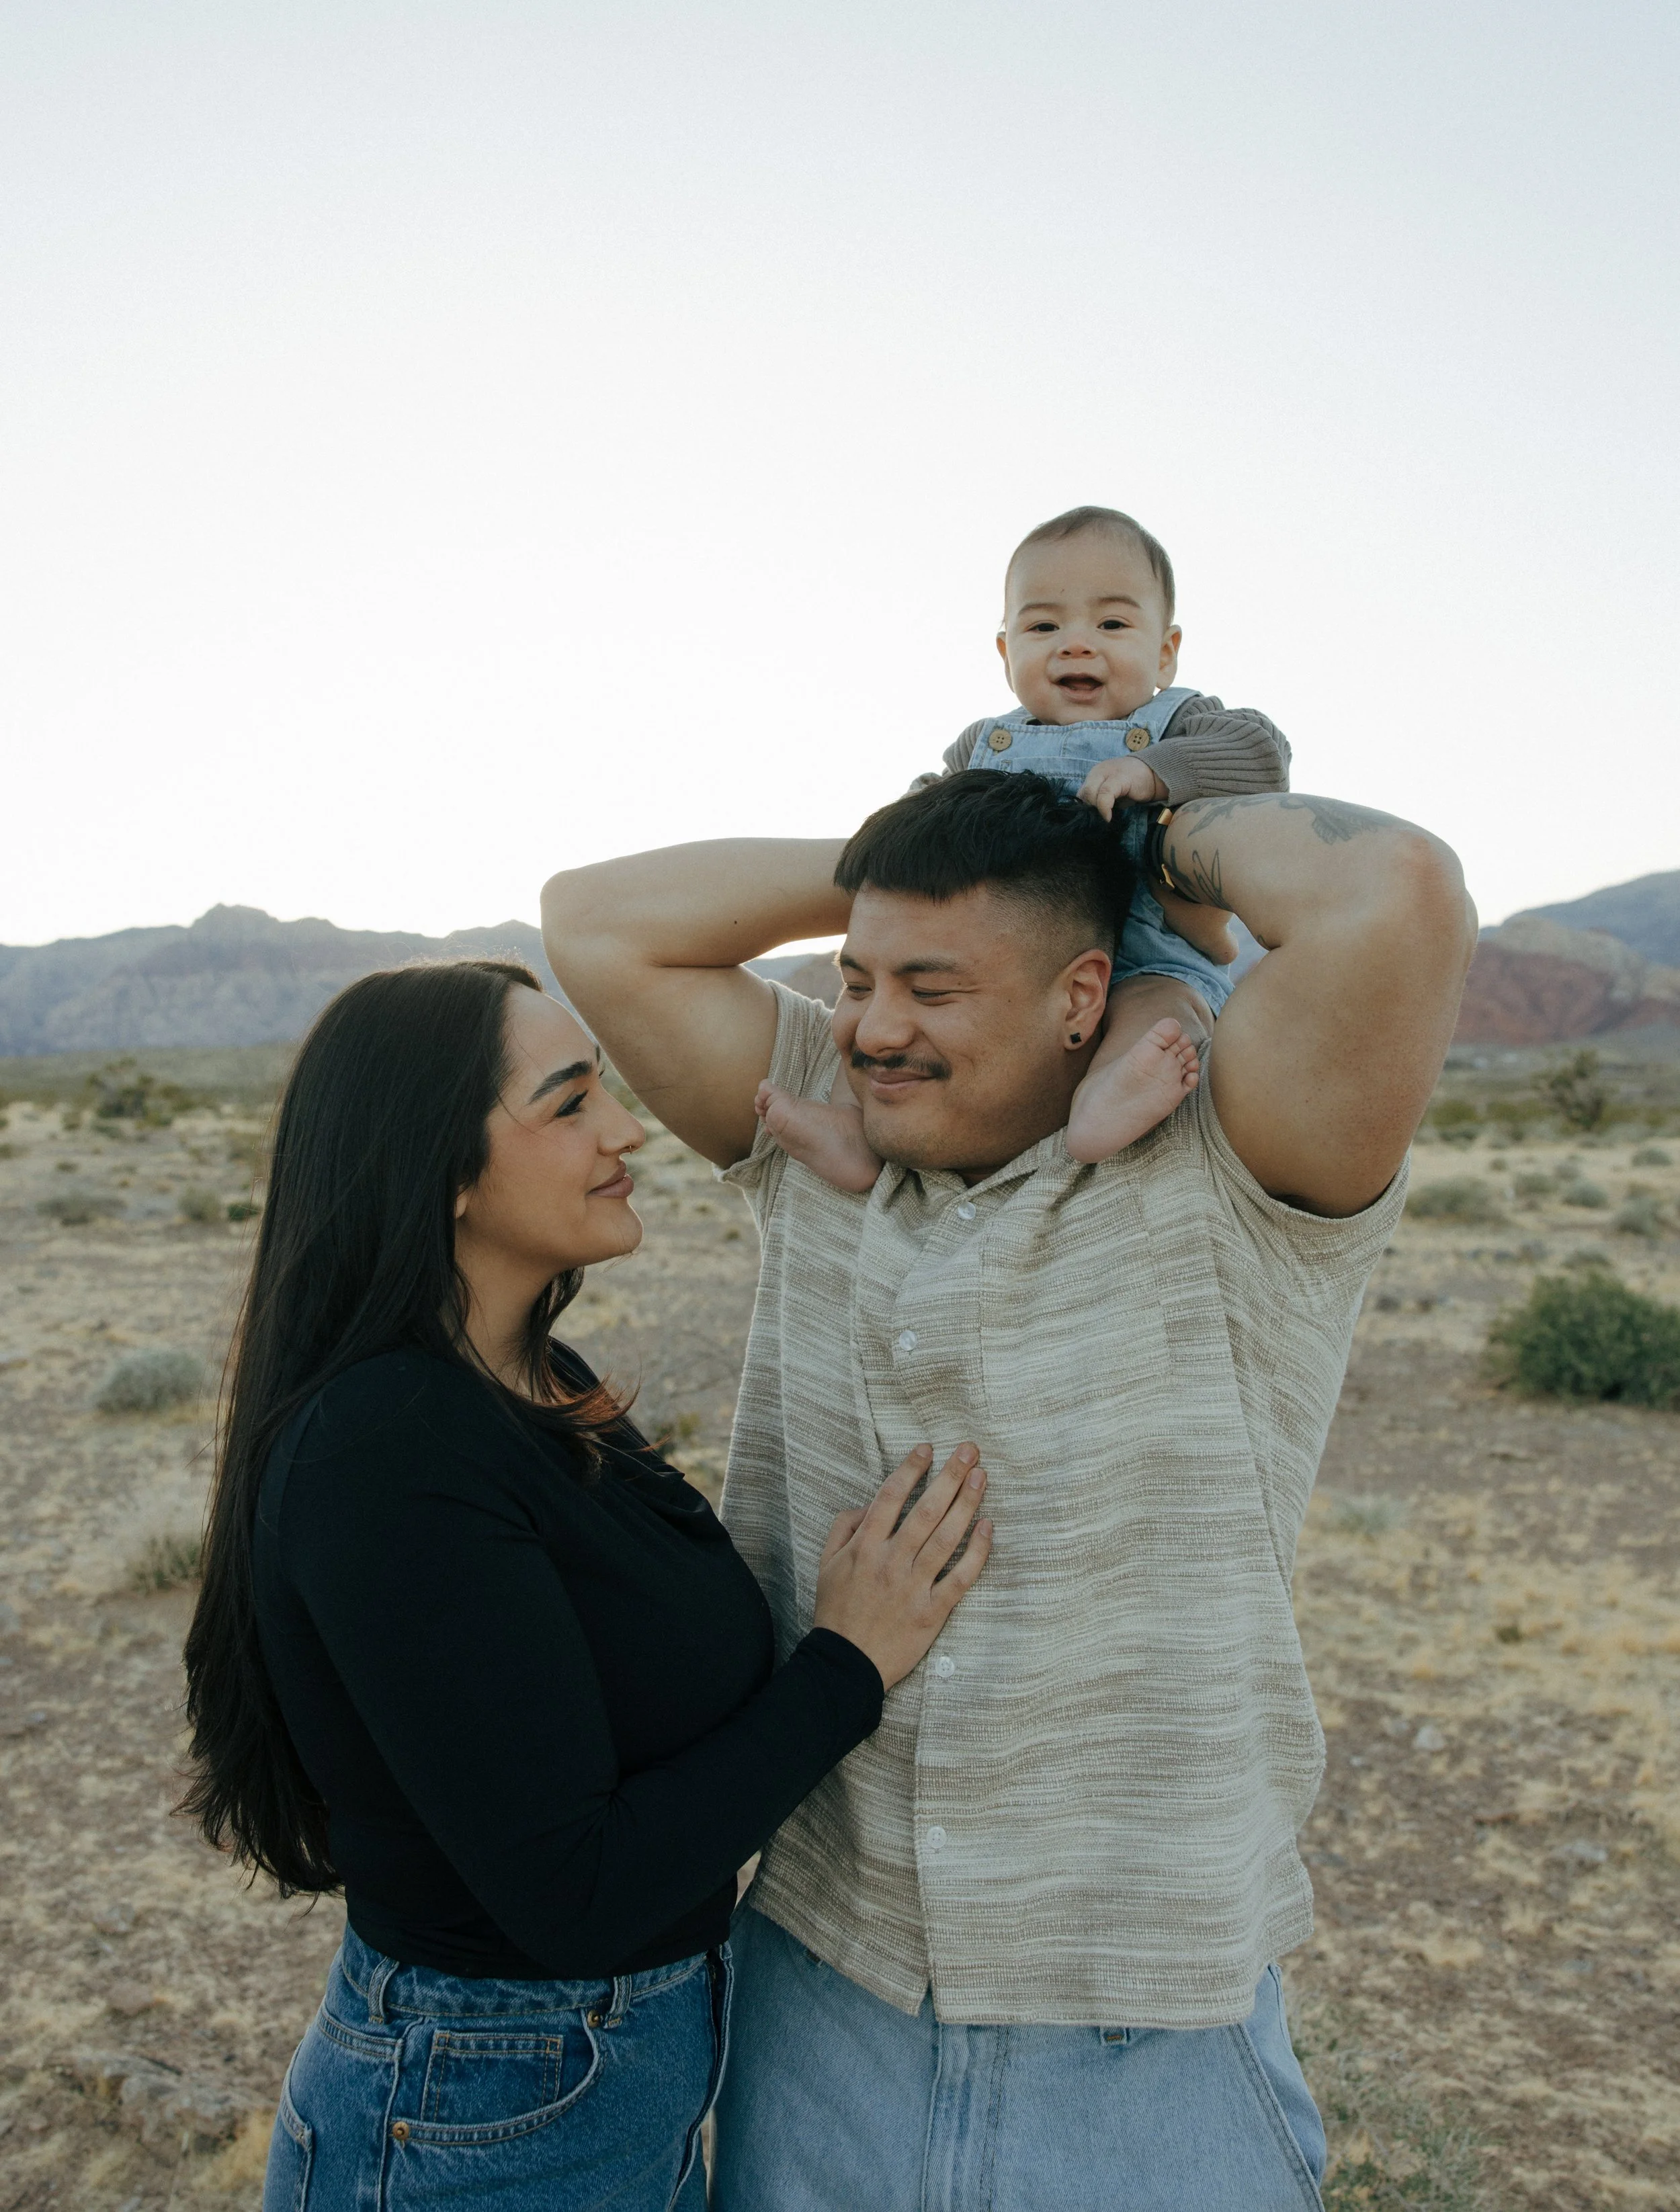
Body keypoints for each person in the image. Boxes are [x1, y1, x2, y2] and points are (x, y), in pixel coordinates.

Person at [541, 771, 1476, 2211]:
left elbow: (1390, 894)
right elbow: (595, 923)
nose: (869, 1026)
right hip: (820, 1998)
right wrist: (896, 856)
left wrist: (1133, 840)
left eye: (930, 984)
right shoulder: (826, 1134)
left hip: (1139, 2046)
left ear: (1080, 993)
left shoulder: (1226, 1155)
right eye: (853, 979)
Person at [179, 957, 991, 2212]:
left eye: (605, 1087)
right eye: (567, 1102)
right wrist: (848, 1663)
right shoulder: (388, 1444)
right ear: (438, 1166)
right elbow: (577, 1891)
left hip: (594, 2079)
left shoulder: (531, 1379)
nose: (625, 1128)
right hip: (489, 2111)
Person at [756, 504, 1292, 1189]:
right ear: (1007, 651)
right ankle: (848, 1130)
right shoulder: (987, 744)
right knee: (873, 1024)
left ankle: (1105, 1103)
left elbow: (1261, 756)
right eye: (1044, 626)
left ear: (1165, 651)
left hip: (1153, 951)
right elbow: (937, 801)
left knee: (1165, 1015)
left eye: (1112, 624)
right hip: (1018, 964)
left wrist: (1157, 773)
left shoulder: (1179, 721)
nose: (1075, 644)